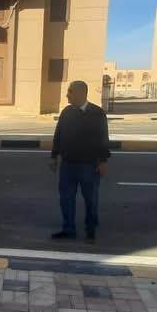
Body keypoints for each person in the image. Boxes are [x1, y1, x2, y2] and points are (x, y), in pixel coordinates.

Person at [49, 80, 110, 242]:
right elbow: (58, 135)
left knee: (91, 199)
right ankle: (68, 229)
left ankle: (91, 230)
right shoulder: (66, 112)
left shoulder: (97, 113)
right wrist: (54, 157)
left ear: (81, 93)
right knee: (66, 199)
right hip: (68, 165)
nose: (67, 95)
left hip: (89, 166)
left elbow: (103, 139)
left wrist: (103, 161)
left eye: (70, 92)